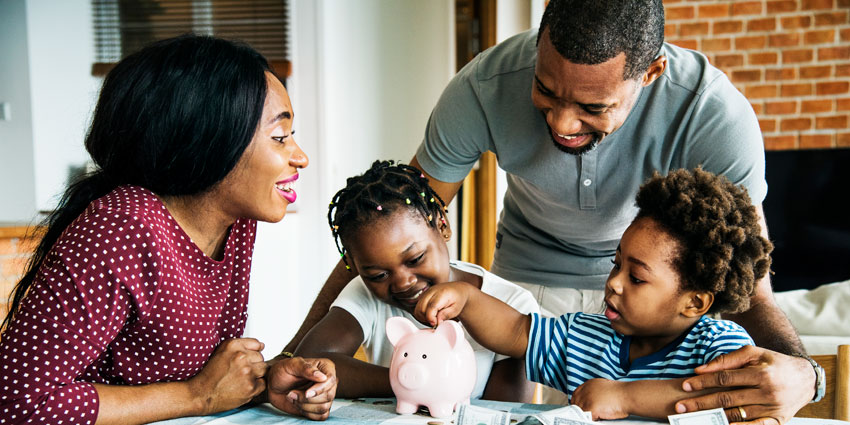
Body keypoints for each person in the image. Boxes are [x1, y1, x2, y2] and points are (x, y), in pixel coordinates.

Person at [286, 0, 820, 423]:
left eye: (593, 107)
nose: (563, 123)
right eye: (545, 90)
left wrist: (805, 374)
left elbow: (751, 289)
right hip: (529, 289)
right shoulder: (483, 87)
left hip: (658, 290)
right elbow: (393, 219)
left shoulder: (713, 115)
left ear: (652, 72)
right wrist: (288, 361)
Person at [0, 35, 337, 424]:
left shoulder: (235, 222)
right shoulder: (121, 229)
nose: (301, 157)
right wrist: (198, 397)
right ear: (209, 139)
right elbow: (17, 403)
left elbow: (203, 377)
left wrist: (265, 381)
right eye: (280, 137)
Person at [415, 168, 769, 420]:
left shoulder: (719, 345)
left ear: (694, 302)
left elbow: (727, 397)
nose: (614, 282)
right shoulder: (586, 336)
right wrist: (467, 299)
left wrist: (623, 397)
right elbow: (517, 331)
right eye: (617, 266)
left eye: (637, 278)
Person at [279, 160, 538, 402]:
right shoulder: (365, 292)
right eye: (378, 275)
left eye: (414, 259)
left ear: (442, 225)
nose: (402, 283)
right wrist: (407, 381)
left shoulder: (512, 303)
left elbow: (506, 410)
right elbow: (311, 361)